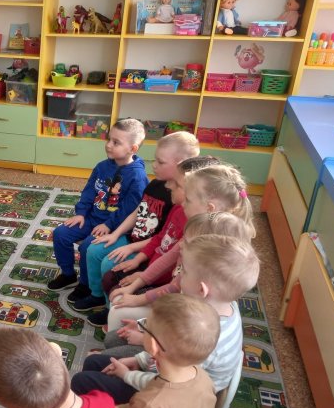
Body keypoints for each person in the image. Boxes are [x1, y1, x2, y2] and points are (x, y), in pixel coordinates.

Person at [72, 233, 260, 403]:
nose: (178, 275)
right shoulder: (214, 309)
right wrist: (139, 359)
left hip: (175, 396)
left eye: (183, 271)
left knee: (81, 380)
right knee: (93, 362)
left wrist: (127, 375)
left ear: (201, 289)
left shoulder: (197, 333)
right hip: (167, 370)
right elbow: (166, 341)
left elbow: (165, 383)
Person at [101, 162, 256, 330]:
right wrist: (135, 285)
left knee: (118, 311)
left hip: (187, 315)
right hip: (176, 298)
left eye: (188, 199)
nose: (182, 204)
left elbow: (176, 286)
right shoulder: (195, 229)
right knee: (118, 298)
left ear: (209, 208)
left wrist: (138, 299)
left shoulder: (207, 248)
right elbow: (167, 260)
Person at [73, 131, 200, 315]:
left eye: (160, 162)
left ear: (181, 165)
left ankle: (110, 308)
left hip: (147, 248)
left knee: (109, 263)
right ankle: (96, 295)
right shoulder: (155, 184)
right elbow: (138, 211)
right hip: (131, 237)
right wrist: (115, 234)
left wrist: (132, 249)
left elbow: (161, 238)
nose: (154, 165)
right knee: (93, 250)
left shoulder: (180, 201)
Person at [87, 155, 221, 327]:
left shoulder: (197, 234)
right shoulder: (179, 209)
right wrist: (139, 263)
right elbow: (161, 239)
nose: (168, 186)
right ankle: (113, 314)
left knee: (115, 288)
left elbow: (174, 279)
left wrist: (142, 280)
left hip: (166, 286)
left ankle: (122, 322)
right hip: (153, 269)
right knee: (110, 278)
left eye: (177, 184)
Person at [101, 212, 253, 358]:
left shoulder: (200, 325)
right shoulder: (202, 295)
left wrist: (143, 340)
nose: (180, 244)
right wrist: (143, 326)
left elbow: (171, 362)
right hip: (166, 341)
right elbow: (169, 320)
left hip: (168, 362)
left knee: (105, 355)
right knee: (112, 339)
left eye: (184, 272)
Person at [46, 118, 148, 300]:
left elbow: (129, 210)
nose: (108, 145)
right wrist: (81, 214)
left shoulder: (137, 176)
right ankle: (68, 274)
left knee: (87, 247)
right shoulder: (102, 166)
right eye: (109, 139)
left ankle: (85, 284)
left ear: (133, 149)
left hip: (114, 227)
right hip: (91, 218)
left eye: (116, 142)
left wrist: (109, 225)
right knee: (61, 233)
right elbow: (89, 192)